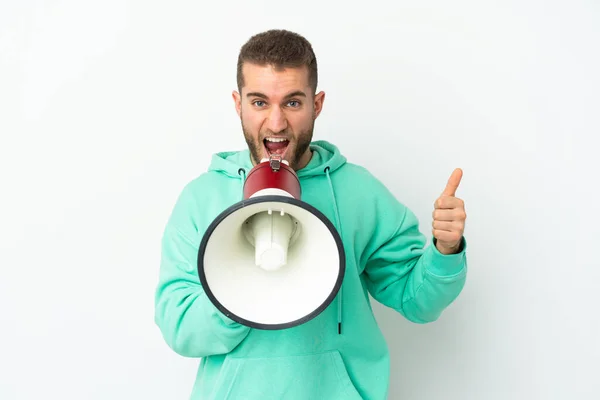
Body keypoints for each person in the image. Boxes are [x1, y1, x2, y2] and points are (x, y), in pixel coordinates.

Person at [154, 29, 468, 400]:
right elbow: (178, 326)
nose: (275, 123)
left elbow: (418, 301)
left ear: (316, 104)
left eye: (292, 103)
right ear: (237, 103)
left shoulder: (358, 192)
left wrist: (445, 250)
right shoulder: (201, 198)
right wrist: (240, 292)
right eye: (259, 103)